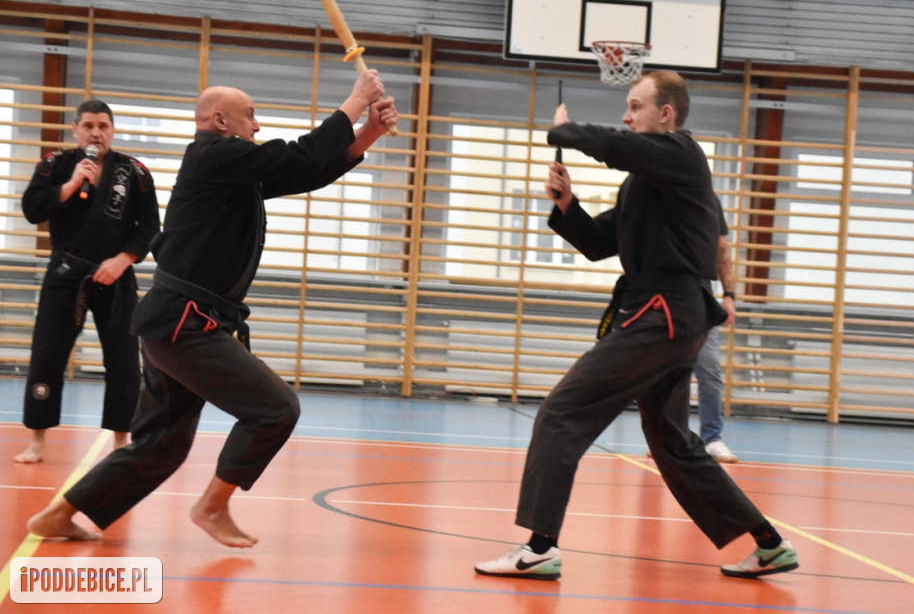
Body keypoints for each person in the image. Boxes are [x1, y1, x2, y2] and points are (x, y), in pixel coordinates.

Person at [27, 70, 398, 548]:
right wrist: (354, 101)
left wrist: (367, 131)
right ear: (221, 121)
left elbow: (305, 172)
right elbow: (300, 153)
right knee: (275, 409)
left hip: (176, 322)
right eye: (251, 117)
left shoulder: (227, 170)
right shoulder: (213, 155)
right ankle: (212, 505)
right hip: (186, 324)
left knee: (161, 445)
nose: (258, 126)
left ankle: (59, 515)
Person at [474, 71, 797, 580]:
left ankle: (539, 548)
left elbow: (616, 145)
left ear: (665, 113)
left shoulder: (682, 154)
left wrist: (566, 131)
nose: (627, 115)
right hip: (670, 316)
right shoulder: (647, 182)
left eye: (635, 106)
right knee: (671, 442)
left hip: (663, 313)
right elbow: (602, 242)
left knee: (562, 413)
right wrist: (566, 206)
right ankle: (769, 542)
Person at [15, 100, 159, 464]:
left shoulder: (135, 172)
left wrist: (123, 260)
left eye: (104, 126)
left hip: (115, 275)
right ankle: (37, 442)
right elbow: (33, 210)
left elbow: (150, 228)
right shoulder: (55, 166)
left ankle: (121, 441)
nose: (97, 132)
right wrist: (72, 183)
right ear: (76, 129)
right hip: (66, 274)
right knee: (47, 357)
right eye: (89, 125)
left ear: (112, 130)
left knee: (124, 361)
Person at [697, 202, 738, 464]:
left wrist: (729, 295)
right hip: (661, 297)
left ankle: (712, 438)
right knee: (665, 374)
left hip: (700, 300)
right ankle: (667, 437)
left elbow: (721, 247)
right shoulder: (654, 189)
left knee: (709, 369)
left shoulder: (706, 198)